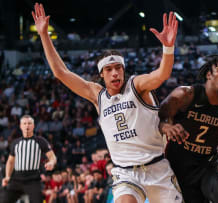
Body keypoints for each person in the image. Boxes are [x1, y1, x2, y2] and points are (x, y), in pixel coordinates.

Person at [32, 3, 182, 203]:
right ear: (101, 75)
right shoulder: (97, 95)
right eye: (109, 69)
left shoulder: (136, 85)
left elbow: (162, 73)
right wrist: (44, 34)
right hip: (126, 173)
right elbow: (61, 73)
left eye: (118, 68)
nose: (115, 72)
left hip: (157, 168)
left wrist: (168, 47)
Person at [159, 54, 218, 203]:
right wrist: (166, 126)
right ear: (209, 74)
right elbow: (160, 117)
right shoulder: (185, 95)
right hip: (179, 168)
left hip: (208, 166)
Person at [2, 115, 57, 203]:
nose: (27, 126)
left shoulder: (41, 141)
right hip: (16, 178)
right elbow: (10, 162)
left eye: (29, 123)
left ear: (33, 126)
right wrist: (8, 176)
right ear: (20, 126)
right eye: (24, 123)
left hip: (33, 179)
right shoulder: (15, 143)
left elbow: (52, 157)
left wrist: (51, 163)